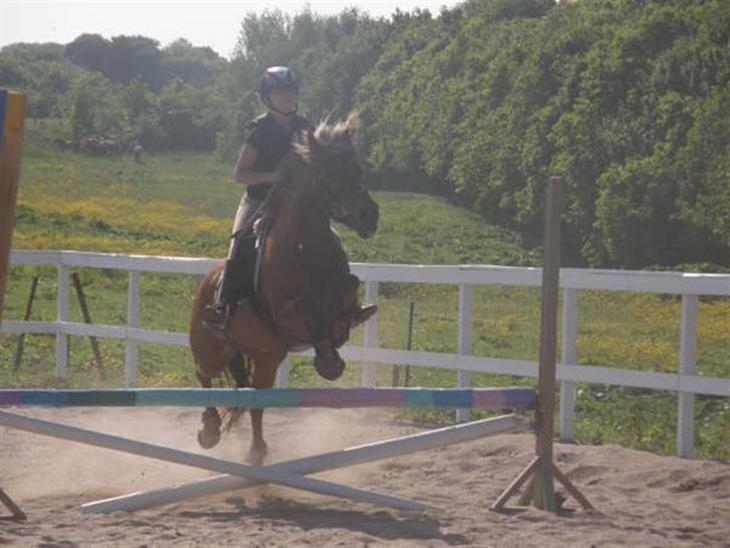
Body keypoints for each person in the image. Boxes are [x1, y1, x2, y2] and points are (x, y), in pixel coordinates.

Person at [206, 66, 311, 331]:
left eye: (289, 90)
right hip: (258, 203)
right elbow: (240, 174)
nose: (286, 96)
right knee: (238, 246)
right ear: (267, 98)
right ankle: (223, 308)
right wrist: (274, 177)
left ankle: (338, 305)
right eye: (279, 91)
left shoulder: (304, 127)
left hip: (292, 205)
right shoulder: (259, 131)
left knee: (327, 238)